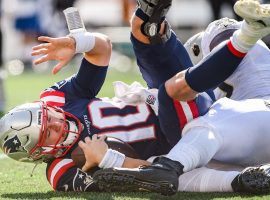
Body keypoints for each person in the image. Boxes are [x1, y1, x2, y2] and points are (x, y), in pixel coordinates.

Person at [0, 0, 269, 193]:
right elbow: (145, 174)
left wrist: (77, 44)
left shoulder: (58, 99)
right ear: (39, 154)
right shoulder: (61, 168)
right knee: (171, 92)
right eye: (48, 133)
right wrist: (104, 163)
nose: (57, 122)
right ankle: (248, 35)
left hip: (198, 104)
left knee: (145, 28)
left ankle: (242, 46)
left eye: (49, 116)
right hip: (181, 137)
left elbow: (102, 49)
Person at [92, 0, 270, 195]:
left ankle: (169, 167)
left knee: (187, 123)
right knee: (178, 165)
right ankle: (239, 180)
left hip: (249, 122)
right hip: (242, 140)